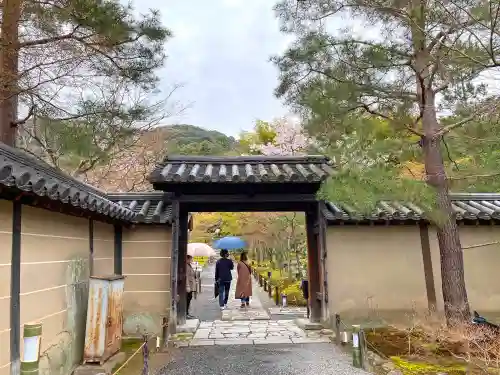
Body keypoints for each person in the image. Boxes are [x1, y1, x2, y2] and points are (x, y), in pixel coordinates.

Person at [186, 254, 196, 319]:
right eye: (190, 258)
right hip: (188, 285)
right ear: (187, 259)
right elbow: (186, 276)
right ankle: (186, 313)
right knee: (187, 299)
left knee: (189, 298)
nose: (191, 260)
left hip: (191, 285)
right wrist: (187, 286)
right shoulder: (186, 266)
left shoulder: (189, 265)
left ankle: (187, 313)